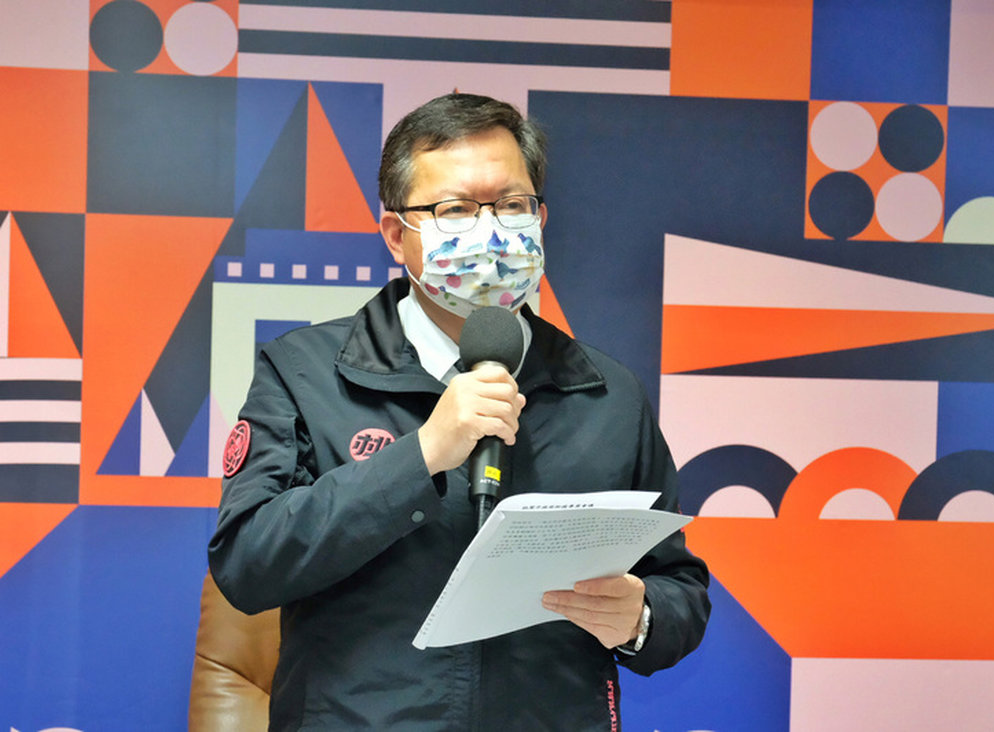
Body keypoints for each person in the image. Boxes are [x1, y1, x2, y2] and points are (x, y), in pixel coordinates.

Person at [208, 92, 710, 730]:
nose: (491, 230)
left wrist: (639, 617)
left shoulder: (606, 393)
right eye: (455, 210)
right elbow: (247, 565)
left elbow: (680, 592)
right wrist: (421, 456)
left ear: (539, 218)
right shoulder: (304, 373)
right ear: (398, 235)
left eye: (511, 205)